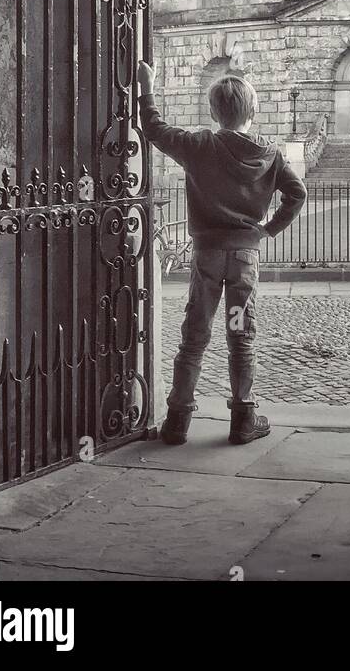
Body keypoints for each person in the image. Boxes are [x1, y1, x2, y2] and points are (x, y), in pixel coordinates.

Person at [137, 60, 307, 446]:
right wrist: (268, 229)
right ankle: (243, 418)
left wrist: (148, 87)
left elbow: (154, 130)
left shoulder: (200, 146)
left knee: (194, 336)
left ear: (213, 112)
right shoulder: (270, 155)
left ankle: (178, 420)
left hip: (207, 258)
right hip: (244, 261)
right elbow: (297, 194)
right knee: (240, 334)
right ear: (254, 110)